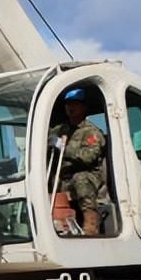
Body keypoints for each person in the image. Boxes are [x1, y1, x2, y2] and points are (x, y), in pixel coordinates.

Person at [50, 88, 106, 236]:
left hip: (89, 177)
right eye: (68, 104)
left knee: (81, 178)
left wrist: (63, 148)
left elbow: (88, 157)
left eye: (75, 104)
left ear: (84, 107)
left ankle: (91, 223)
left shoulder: (91, 132)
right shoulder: (60, 129)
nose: (70, 108)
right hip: (64, 178)